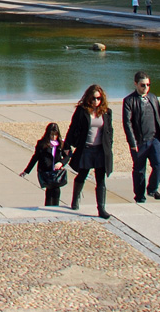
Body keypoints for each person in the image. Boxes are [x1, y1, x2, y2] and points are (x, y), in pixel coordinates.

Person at [63, 84, 114, 219]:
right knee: (82, 175)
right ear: (88, 98)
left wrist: (110, 145)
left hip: (100, 150)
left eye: (98, 99)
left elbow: (109, 130)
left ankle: (101, 208)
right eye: (93, 99)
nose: (96, 102)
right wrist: (67, 145)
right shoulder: (82, 111)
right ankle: (75, 199)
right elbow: (73, 128)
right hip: (86, 148)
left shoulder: (106, 112)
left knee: (100, 180)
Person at [122, 71, 160, 203]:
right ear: (136, 84)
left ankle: (152, 189)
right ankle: (139, 196)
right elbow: (127, 123)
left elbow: (159, 117)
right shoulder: (129, 101)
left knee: (159, 164)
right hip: (139, 142)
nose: (145, 87)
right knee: (139, 170)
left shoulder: (153, 98)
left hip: (154, 139)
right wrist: (132, 142)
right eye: (142, 85)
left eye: (148, 84)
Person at [20, 122, 67, 207]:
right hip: (46, 171)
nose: (53, 137)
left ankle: (56, 207)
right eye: (51, 135)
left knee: (56, 189)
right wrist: (26, 171)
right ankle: (49, 207)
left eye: (55, 135)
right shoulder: (42, 144)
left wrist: (61, 163)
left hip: (56, 172)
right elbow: (35, 157)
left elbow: (67, 156)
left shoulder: (61, 144)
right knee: (49, 189)